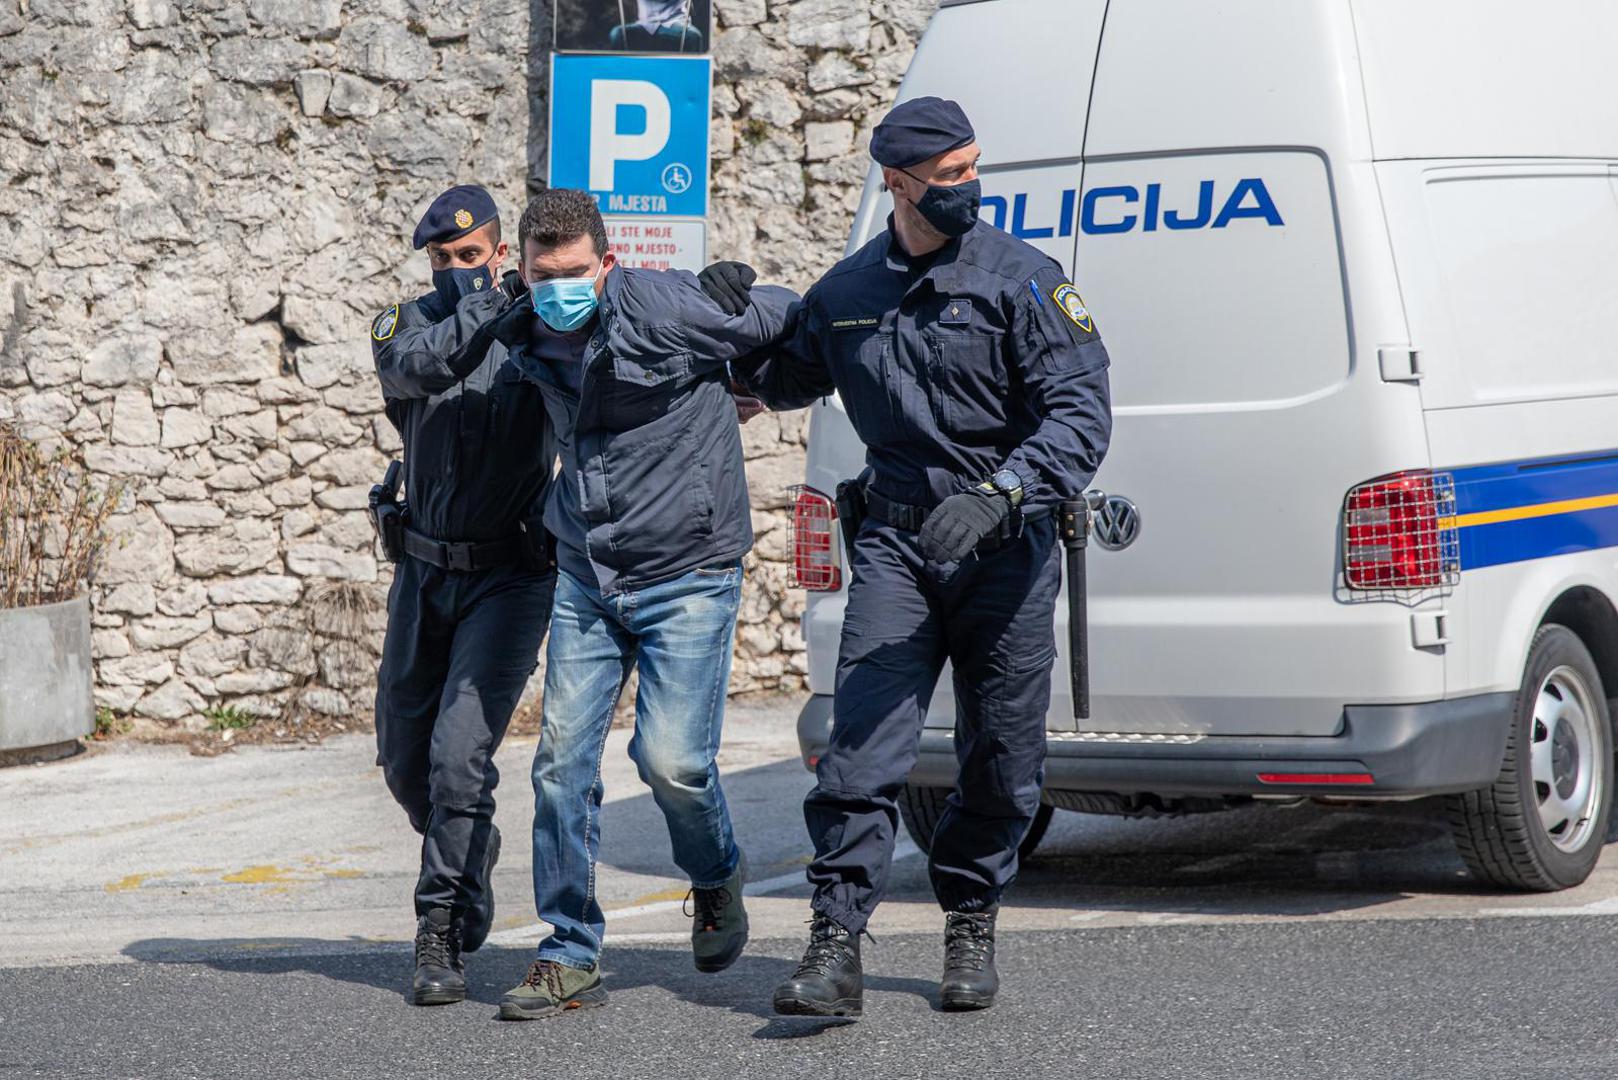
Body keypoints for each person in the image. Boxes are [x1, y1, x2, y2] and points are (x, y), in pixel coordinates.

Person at [735, 97, 1114, 1017]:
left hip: (1006, 548)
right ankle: (834, 946)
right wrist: (724, 326)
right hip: (899, 547)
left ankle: (972, 915)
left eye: (973, 170)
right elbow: (776, 377)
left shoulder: (1023, 281)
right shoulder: (850, 291)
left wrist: (1002, 494)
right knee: (861, 745)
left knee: (1002, 752)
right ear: (898, 185)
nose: (968, 189)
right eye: (948, 178)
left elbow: (1081, 413)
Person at [491, 189, 797, 1020]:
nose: (561, 288)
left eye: (577, 273)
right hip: (589, 572)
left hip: (688, 569)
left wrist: (748, 331)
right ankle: (568, 949)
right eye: (544, 274)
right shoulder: (518, 322)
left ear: (607, 262)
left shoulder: (662, 304)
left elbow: (783, 317)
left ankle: (715, 876)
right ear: (523, 270)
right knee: (558, 765)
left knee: (672, 763)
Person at [370, 184, 559, 1007]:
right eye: (442, 260)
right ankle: (469, 850)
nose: (455, 270)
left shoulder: (541, 324)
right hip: (422, 574)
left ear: (500, 253)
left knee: (457, 759)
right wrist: (484, 306)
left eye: (471, 257)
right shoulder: (403, 325)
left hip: (509, 577)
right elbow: (418, 368)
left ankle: (439, 926)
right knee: (408, 767)